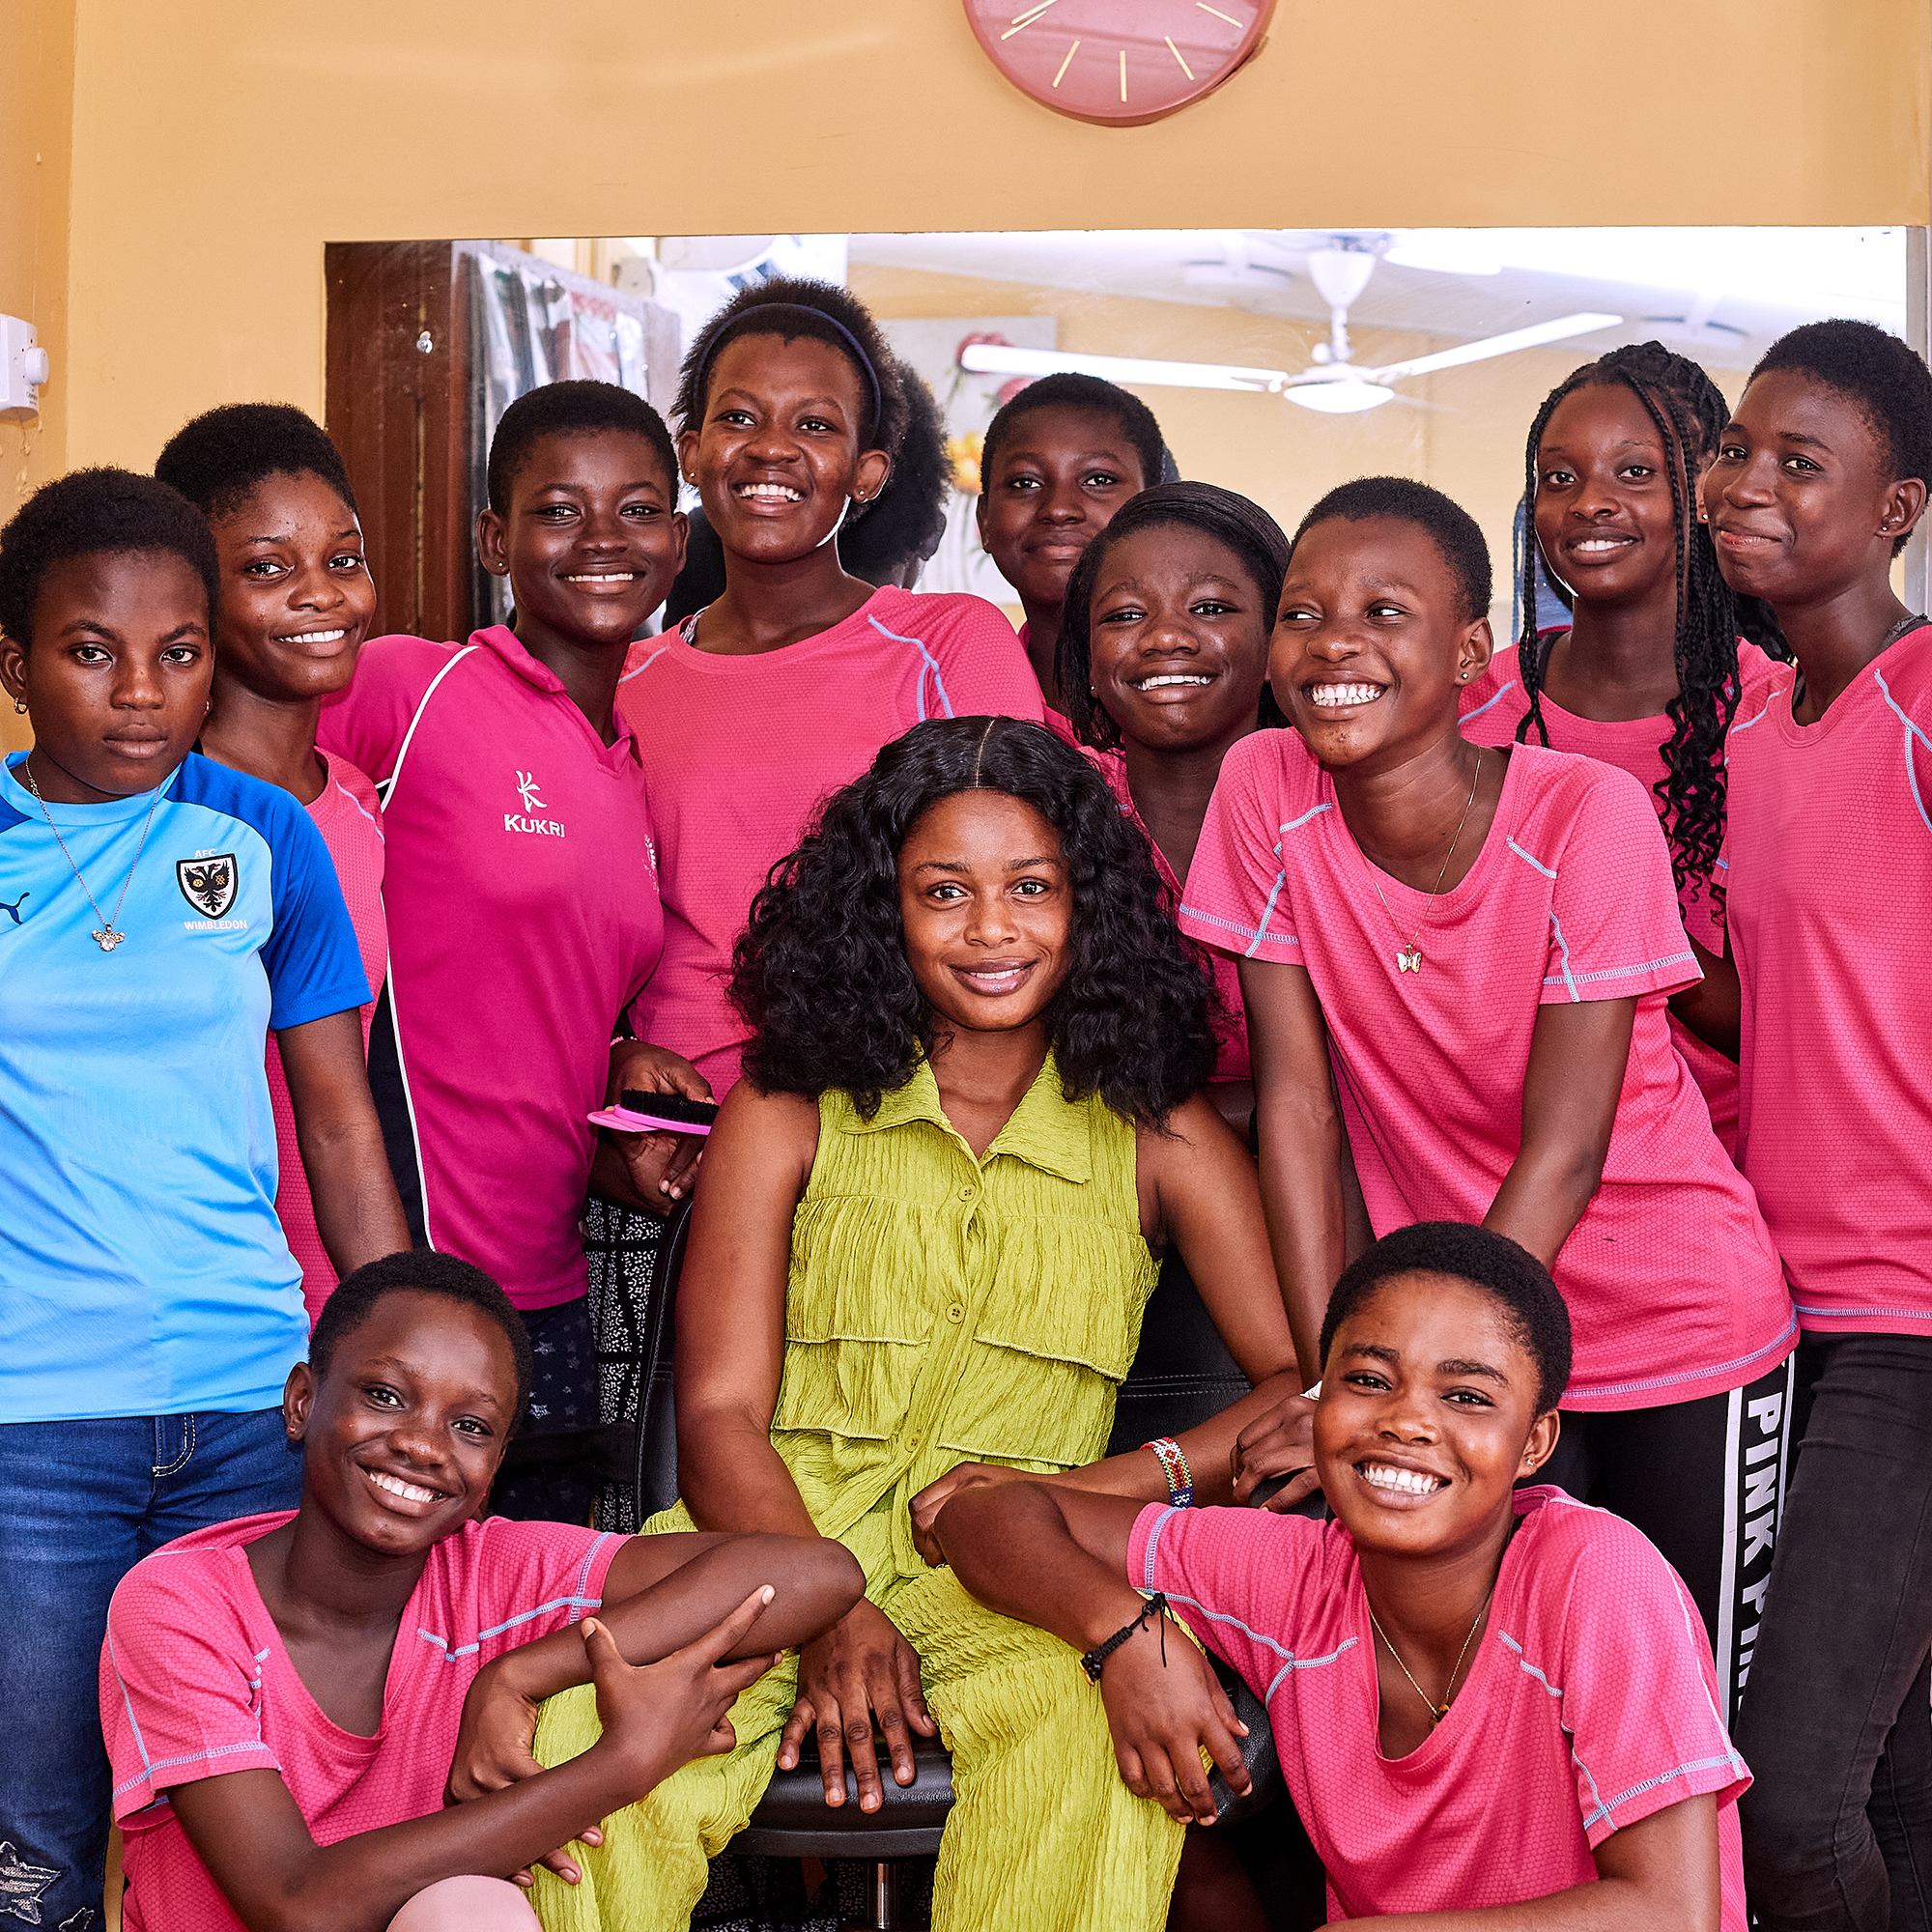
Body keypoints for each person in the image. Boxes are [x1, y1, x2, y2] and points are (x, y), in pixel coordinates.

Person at [508, 717, 1309, 1932]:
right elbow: (717, 1411)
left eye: (1030, 887)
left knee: (1092, 1729)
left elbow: (1295, 1383)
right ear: (880, 910)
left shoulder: (1160, 1132)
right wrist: (827, 1604)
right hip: (766, 1547)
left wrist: (1083, 1492)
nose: (990, 929)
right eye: (943, 891)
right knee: (585, 1732)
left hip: (1017, 1572)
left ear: (1085, 906)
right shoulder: (784, 1107)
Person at [1179, 476, 1795, 1720]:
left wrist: (1414, 1376)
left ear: (1470, 653)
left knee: (1681, 1726)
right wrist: (1336, 1380)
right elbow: (1298, 1107)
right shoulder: (1264, 786)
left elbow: (1562, 1151)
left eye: (1382, 611)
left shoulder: (1580, 813)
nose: (1333, 642)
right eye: (1303, 612)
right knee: (1497, 1722)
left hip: (1672, 1331)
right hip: (1456, 1359)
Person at [0, 467, 411, 1928]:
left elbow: (340, 1125)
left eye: (178, 651)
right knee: (36, 1841)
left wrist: (397, 1349)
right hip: (33, 1431)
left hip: (252, 1408)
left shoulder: (264, 837)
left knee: (265, 1821)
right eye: (91, 651)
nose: (141, 693)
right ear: (15, 664)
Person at [933, 1220, 1749, 1931]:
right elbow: (981, 1515)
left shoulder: (1599, 1578)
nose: (1407, 1420)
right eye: (1368, 1381)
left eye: (1467, 1396)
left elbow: (1671, 1914)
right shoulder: (1295, 1580)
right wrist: (1124, 1632)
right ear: (1314, 1407)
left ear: (1534, 1443)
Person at [99, 1248, 865, 1932]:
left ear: (496, 1466)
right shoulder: (179, 1604)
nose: (422, 1444)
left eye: (470, 1427)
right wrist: (623, 1764)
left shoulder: (493, 1571)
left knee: (472, 1912)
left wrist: (519, 1673)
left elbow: (818, 1574)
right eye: (385, 1395)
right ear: (303, 1402)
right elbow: (295, 1904)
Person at [319, 380, 705, 1523]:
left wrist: (624, 1052)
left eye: (636, 509)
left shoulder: (631, 763)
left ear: (678, 542)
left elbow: (538, 988)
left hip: (549, 1275)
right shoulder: (411, 685)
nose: (602, 539)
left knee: (524, 1601)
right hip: (399, 1265)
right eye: (558, 510)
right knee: (385, 1593)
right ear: (494, 539)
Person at [1674, 318, 1932, 1932]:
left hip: (1916, 1318)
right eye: (1736, 450)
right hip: (1788, 1313)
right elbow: (1772, 1007)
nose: (1743, 485)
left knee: (1788, 1804)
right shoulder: (1759, 729)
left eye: (1798, 462)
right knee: (1894, 1776)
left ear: (1896, 510)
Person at [614, 276, 1044, 1101]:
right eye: (739, 418)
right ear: (691, 452)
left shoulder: (949, 646)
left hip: (894, 1115)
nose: (771, 449)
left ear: (866, 471)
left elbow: (1023, 908)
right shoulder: (628, 683)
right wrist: (617, 1051)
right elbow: (585, 927)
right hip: (677, 1121)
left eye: (814, 425)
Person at [1461, 342, 1783, 1158]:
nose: (1589, 503)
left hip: (1717, 1174)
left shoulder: (1778, 717)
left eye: (1634, 472)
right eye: (1559, 477)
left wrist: (1622, 902)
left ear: (1706, 495)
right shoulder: (1470, 708)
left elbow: (1793, 1027)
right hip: (1497, 1160)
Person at [156, 401, 389, 1324]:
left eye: (344, 559)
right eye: (267, 568)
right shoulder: (153, 811)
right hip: (188, 1306)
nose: (322, 594)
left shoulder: (358, 805)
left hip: (329, 1296)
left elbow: (342, 1107)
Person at [1056, 480, 1292, 1128]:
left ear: (1276, 646)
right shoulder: (1047, 821)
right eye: (1125, 615)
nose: (1165, 636)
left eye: (1210, 607)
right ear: (1091, 666)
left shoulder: (1346, 816)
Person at [975, 371, 1166, 728]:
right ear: (984, 520)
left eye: (1098, 480)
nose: (1059, 509)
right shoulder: (959, 702)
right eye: (1025, 482)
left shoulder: (1196, 698)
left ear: (1152, 506)